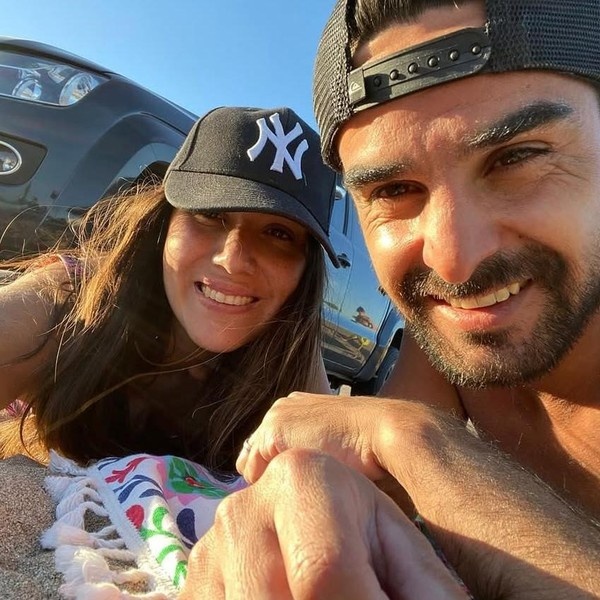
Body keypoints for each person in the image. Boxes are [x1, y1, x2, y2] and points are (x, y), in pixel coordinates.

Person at [184, 1, 600, 598]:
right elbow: (371, 499)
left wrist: (413, 438)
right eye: (393, 189)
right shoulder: (456, 338)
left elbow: (401, 446)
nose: (453, 259)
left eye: (517, 157)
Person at [0, 104, 339, 470]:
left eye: (278, 233)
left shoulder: (290, 356)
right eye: (211, 214)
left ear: (305, 269)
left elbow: (343, 464)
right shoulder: (74, 298)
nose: (232, 259)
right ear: (165, 221)